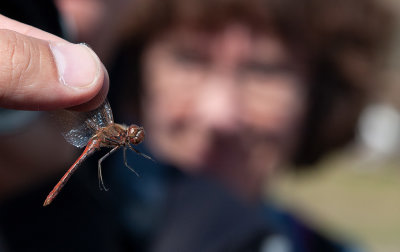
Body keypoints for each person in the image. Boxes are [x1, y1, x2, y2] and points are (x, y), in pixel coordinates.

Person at [0, 0, 394, 251]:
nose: (218, 114)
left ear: (320, 94)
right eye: (189, 60)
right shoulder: (51, 210)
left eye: (263, 70)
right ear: (137, 73)